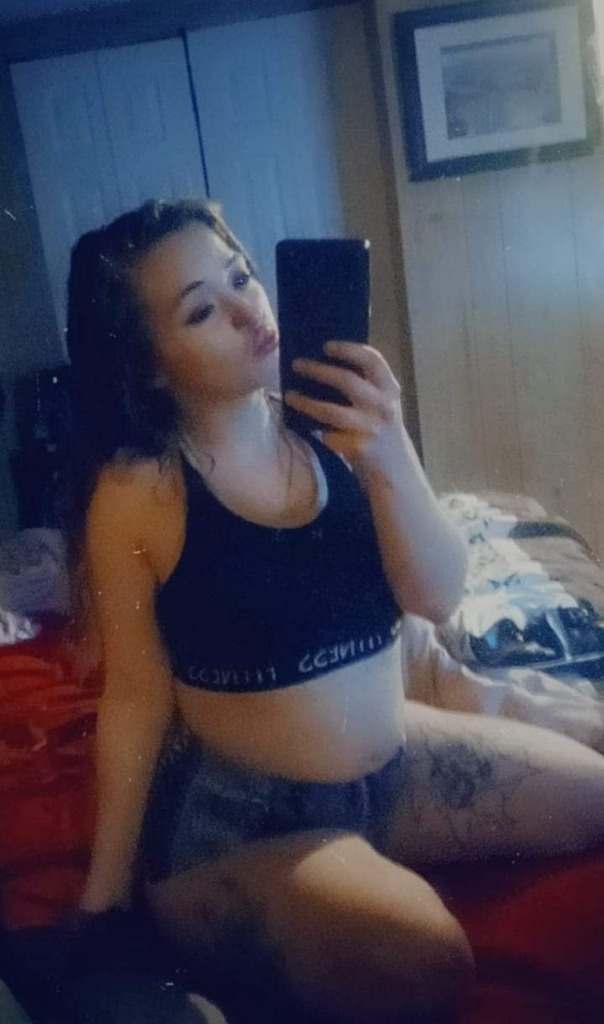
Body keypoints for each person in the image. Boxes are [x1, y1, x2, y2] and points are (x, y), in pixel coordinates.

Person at [65, 198, 604, 1024]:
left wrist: (391, 450)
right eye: (202, 311)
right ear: (148, 366)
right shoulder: (139, 492)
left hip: (390, 776)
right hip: (246, 824)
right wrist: (103, 901)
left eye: (242, 276)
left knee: (596, 796)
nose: (249, 311)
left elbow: (437, 597)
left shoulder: (339, 428)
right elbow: (136, 697)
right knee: (422, 963)